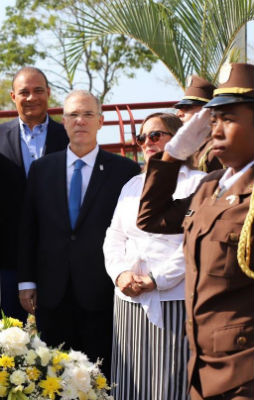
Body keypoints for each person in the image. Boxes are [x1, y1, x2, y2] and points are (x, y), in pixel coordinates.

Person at [137, 63, 254, 399]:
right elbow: (152, 218)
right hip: (202, 373)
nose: (215, 131)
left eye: (228, 119)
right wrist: (172, 154)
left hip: (245, 376)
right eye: (212, 121)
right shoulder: (210, 187)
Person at [18, 90, 140, 379]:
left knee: (102, 376)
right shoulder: (41, 169)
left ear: (100, 121)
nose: (80, 121)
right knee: (54, 378)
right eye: (73, 114)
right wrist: (26, 281)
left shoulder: (125, 171)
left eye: (87, 114)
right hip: (52, 294)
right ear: (64, 121)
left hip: (103, 292)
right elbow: (29, 229)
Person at [103, 112, 205, 399]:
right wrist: (121, 274)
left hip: (173, 300)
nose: (147, 142)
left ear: (178, 140)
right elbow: (114, 236)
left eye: (155, 135)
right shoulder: (132, 185)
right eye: (142, 137)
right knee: (130, 384)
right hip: (128, 301)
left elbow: (193, 243)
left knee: (169, 384)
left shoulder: (199, 183)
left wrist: (155, 279)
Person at [0, 66, 68, 322]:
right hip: (9, 258)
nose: (31, 97)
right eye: (24, 92)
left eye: (38, 91)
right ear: (13, 97)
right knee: (8, 345)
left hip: (57, 257)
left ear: (49, 93)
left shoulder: (67, 137)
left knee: (57, 345)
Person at [173, 75, 222, 172]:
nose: (179, 114)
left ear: (209, 111)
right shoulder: (187, 147)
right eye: (180, 109)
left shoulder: (215, 150)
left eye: (188, 108)